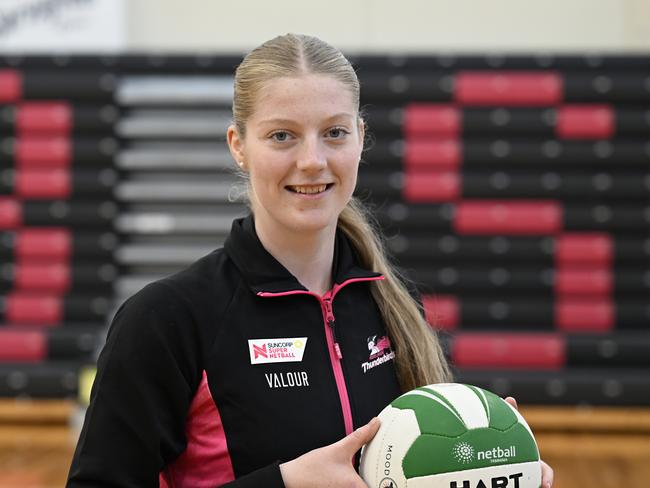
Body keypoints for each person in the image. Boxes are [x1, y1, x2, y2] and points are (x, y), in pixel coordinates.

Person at [66, 33, 554, 488]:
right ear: (239, 146)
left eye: (334, 133)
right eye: (283, 136)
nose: (313, 160)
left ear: (361, 138)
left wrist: (491, 463)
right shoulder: (167, 320)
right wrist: (285, 482)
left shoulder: (392, 306)